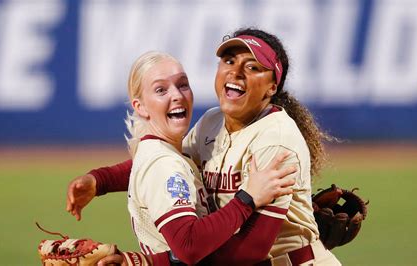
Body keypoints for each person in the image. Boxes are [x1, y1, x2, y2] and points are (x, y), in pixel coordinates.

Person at [67, 28, 341, 265]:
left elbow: (249, 252)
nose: (236, 72)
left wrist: (150, 262)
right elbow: (165, 160)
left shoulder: (276, 141)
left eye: (253, 67)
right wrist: (99, 181)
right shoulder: (213, 121)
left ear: (271, 87)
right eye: (229, 60)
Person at [98, 51, 295, 265]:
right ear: (141, 107)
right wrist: (247, 199)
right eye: (161, 90)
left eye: (182, 85)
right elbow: (189, 246)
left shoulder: (167, 153)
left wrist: (99, 180)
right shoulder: (163, 163)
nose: (177, 95)